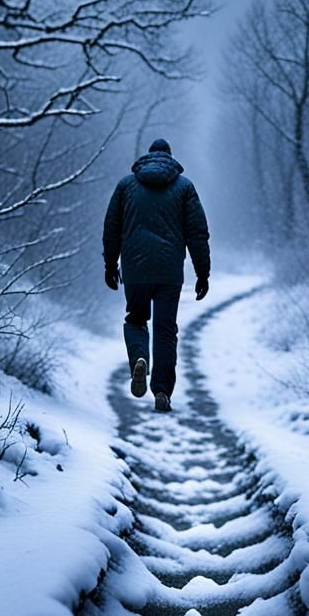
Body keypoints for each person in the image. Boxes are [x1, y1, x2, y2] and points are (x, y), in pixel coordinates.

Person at [103, 138, 210, 412]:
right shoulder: (185, 187)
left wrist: (110, 264)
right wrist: (202, 273)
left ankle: (140, 359)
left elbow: (112, 227)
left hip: (136, 267)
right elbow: (197, 234)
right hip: (169, 271)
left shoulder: (126, 185)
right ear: (170, 158)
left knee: (136, 319)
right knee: (165, 330)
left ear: (148, 157)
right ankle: (162, 391)